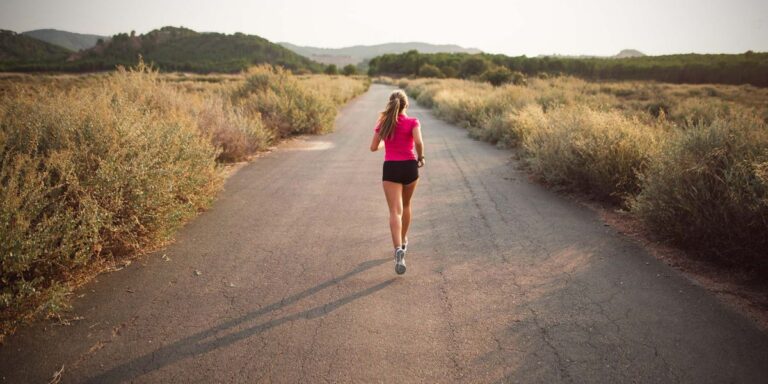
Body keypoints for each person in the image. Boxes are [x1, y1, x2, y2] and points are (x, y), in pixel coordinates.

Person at [369, 90, 425, 275]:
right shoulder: (412, 121)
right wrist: (421, 157)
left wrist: (387, 143)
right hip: (410, 167)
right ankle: (403, 241)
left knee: (395, 211)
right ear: (406, 105)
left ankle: (398, 250)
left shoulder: (383, 122)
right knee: (407, 205)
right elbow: (418, 141)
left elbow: (373, 147)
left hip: (391, 168)